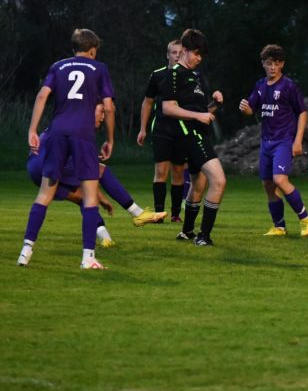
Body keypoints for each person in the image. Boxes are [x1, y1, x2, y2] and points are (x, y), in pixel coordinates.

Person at [18, 28, 116, 269]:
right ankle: (88, 258)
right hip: (83, 135)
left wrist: (32, 129)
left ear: (74, 48)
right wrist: (110, 139)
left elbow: (42, 96)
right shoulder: (99, 68)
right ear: (93, 49)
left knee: (44, 194)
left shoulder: (58, 66)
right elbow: (109, 107)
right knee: (90, 196)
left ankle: (26, 250)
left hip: (57, 133)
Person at [27, 103, 167, 247]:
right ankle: (138, 213)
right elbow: (87, 174)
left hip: (35, 166)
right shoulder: (79, 127)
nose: (103, 117)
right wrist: (101, 196)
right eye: (101, 111)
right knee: (101, 170)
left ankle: (105, 238)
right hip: (46, 161)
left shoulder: (72, 120)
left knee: (84, 198)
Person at [238, 44, 308, 237]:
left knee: (280, 179)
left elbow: (302, 113)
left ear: (282, 64)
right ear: (263, 64)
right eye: (269, 63)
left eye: (277, 64)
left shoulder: (289, 86)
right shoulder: (260, 85)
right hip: (266, 142)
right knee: (268, 185)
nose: (273, 67)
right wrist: (245, 108)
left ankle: (305, 218)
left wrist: (298, 141)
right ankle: (279, 226)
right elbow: (250, 110)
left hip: (284, 140)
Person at [161, 29, 226, 246]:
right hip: (187, 136)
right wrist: (199, 114)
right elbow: (168, 108)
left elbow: (202, 114)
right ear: (184, 51)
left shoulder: (195, 77)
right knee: (219, 180)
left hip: (198, 133)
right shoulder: (174, 74)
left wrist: (214, 105)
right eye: (196, 53)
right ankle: (203, 236)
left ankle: (187, 231)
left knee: (199, 183)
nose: (199, 58)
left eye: (202, 55)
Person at [137, 39, 189, 222]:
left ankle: (175, 214)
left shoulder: (188, 76)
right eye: (174, 52)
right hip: (161, 129)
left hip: (182, 130)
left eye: (181, 52)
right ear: (168, 54)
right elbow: (148, 102)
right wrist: (142, 128)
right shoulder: (157, 75)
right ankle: (158, 214)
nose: (177, 56)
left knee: (178, 172)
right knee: (161, 171)